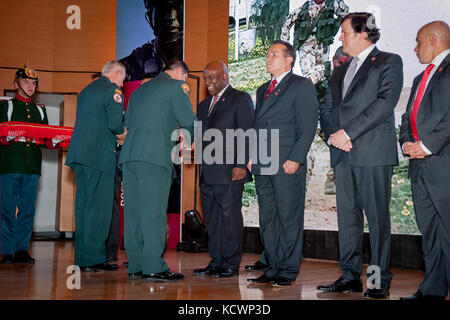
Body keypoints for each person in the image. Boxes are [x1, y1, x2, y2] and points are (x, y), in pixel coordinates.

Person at [317, 12, 403, 298]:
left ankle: (378, 281)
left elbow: (384, 103)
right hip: (343, 155)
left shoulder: (389, 61)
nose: (340, 37)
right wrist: (334, 135)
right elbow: (327, 106)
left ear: (363, 34)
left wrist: (348, 133)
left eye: (344, 32)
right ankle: (350, 276)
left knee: (377, 220)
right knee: (347, 219)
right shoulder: (340, 69)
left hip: (372, 153)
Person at [247, 40, 318, 287]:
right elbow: (257, 126)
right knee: (268, 218)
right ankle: (273, 266)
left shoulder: (301, 86)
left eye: (274, 54)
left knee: (288, 217)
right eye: (268, 54)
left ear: (289, 59)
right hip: (262, 162)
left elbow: (308, 126)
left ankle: (288, 269)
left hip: (286, 161)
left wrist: (296, 158)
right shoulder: (262, 89)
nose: (268, 58)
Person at [119, 59, 196, 282]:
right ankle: (153, 266)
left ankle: (136, 265)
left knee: (134, 214)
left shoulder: (139, 92)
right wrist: (190, 147)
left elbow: (129, 123)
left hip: (130, 158)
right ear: (182, 74)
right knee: (153, 214)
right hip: (154, 158)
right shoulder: (175, 87)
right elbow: (189, 122)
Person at [399, 21, 450, 301]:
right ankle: (432, 291)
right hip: (419, 167)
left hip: (443, 165)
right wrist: (407, 142)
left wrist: (427, 146)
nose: (415, 48)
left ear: (434, 39)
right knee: (429, 233)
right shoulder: (420, 78)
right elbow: (408, 116)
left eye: (419, 42)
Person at [192, 61, 254, 278]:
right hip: (207, 174)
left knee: (230, 219)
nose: (208, 82)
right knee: (213, 220)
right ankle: (216, 260)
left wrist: (240, 164)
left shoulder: (240, 98)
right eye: (206, 77)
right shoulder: (203, 105)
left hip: (230, 171)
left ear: (225, 77)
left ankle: (231, 263)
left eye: (212, 77)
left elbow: (246, 133)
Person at [65, 60, 127, 272]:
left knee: (83, 208)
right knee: (98, 209)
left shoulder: (86, 90)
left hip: (80, 156)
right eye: (123, 78)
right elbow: (116, 125)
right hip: (99, 157)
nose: (123, 82)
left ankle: (83, 257)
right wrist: (124, 137)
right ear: (117, 73)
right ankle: (93, 259)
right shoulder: (112, 90)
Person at [0, 64, 48, 264]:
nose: (31, 86)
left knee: (28, 209)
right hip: (10, 164)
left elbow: (46, 139)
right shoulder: (6, 106)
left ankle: (21, 250)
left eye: (34, 83)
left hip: (33, 166)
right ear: (16, 84)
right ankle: (7, 250)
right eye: (26, 82)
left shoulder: (41, 110)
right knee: (7, 208)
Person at [119, 0, 183, 81]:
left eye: (179, 9)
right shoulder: (130, 66)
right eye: (163, 10)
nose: (171, 17)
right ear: (149, 17)